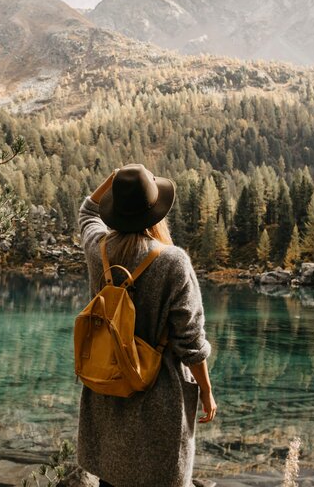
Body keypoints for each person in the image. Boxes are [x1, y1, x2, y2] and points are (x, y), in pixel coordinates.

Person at [77, 164, 217, 487]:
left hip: (106, 402)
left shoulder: (99, 251)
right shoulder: (173, 262)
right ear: (155, 213)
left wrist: (116, 179)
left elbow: (87, 211)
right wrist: (207, 392)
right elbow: (191, 344)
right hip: (158, 411)